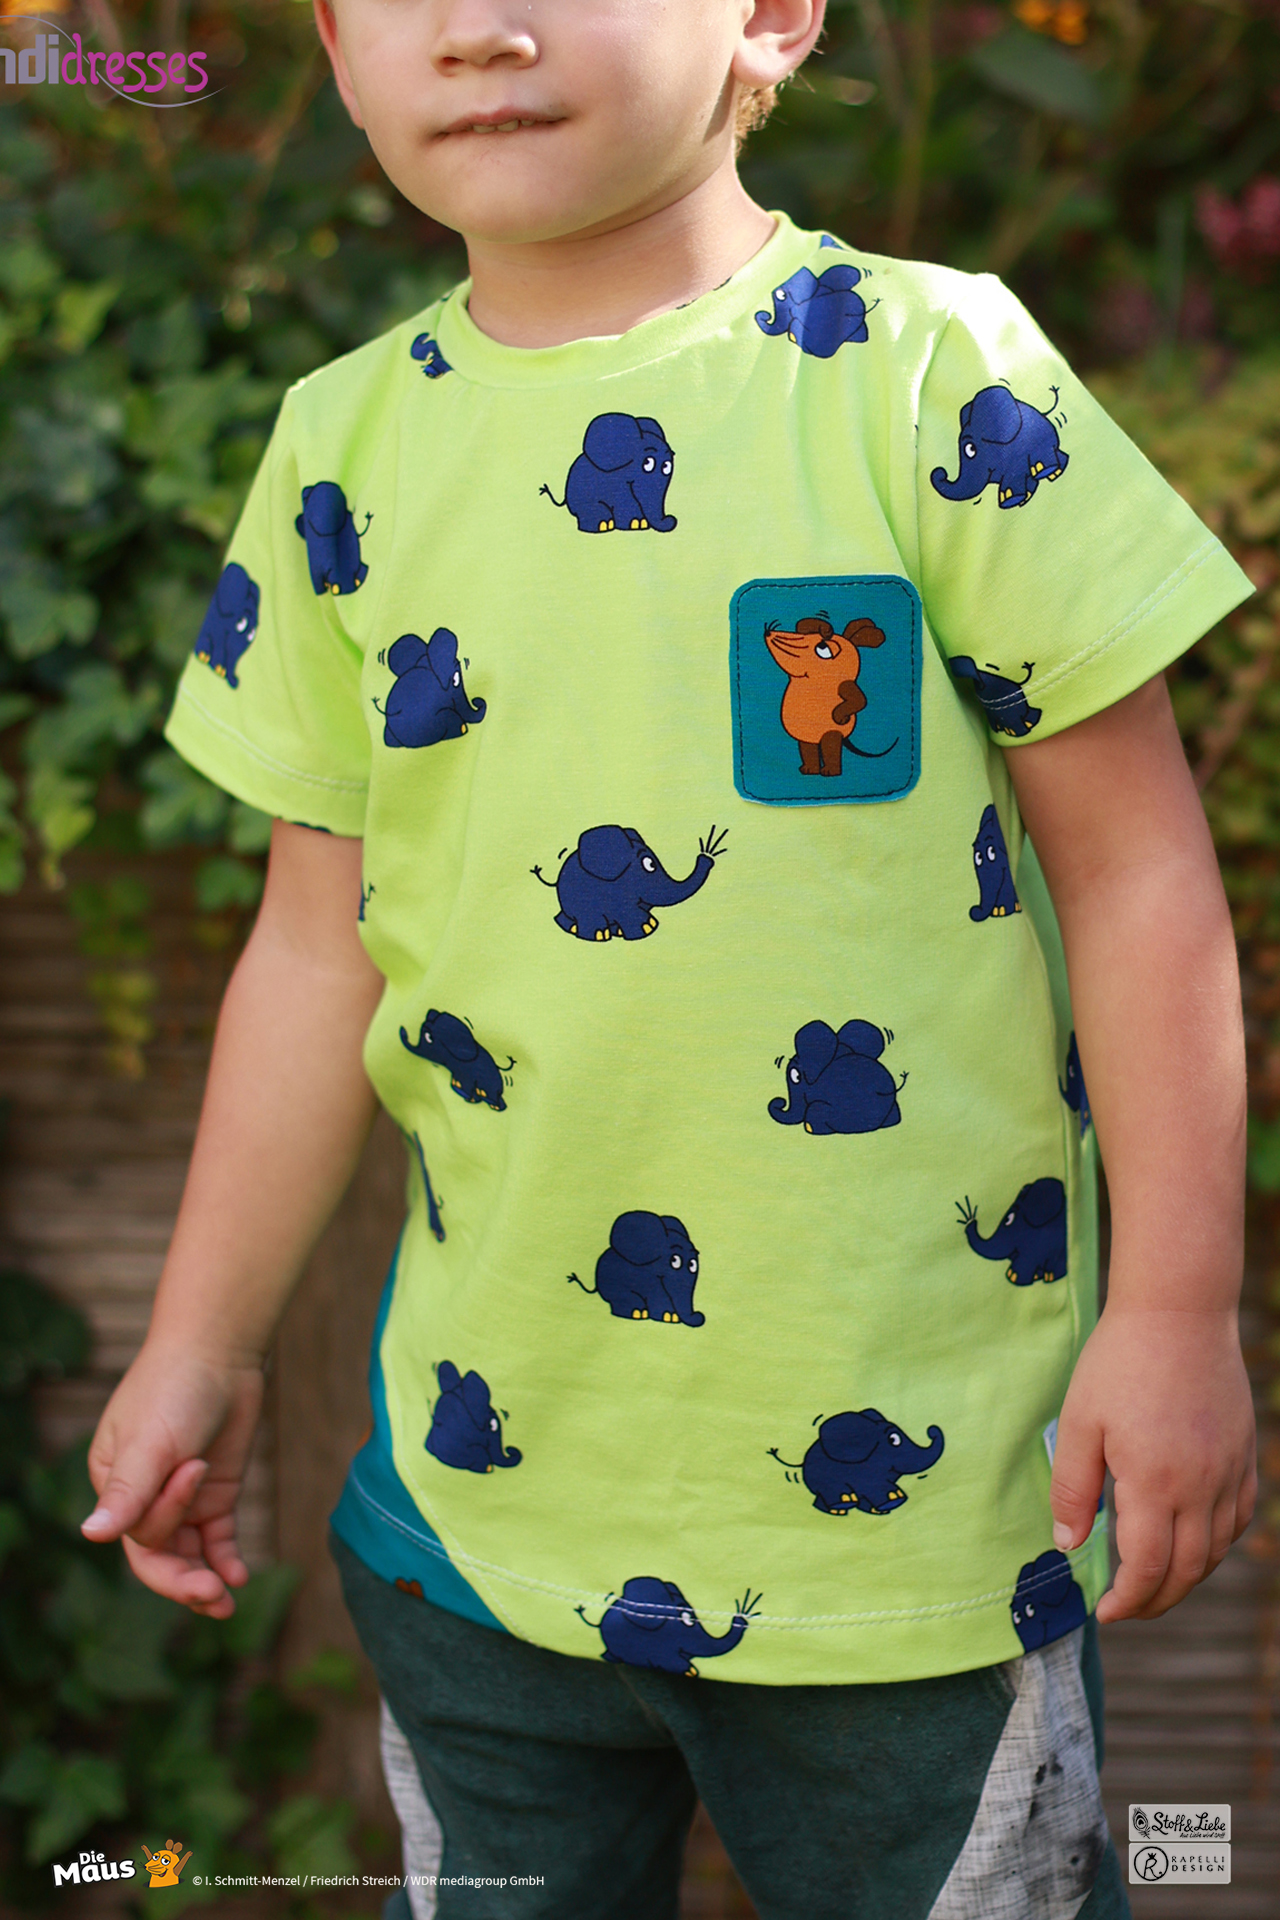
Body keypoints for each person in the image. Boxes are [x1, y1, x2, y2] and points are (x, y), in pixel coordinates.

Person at [81, 2, 1257, 1914]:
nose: (480, 31)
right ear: (334, 46)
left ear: (771, 16)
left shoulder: (933, 377)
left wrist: (1179, 1310)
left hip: (919, 1550)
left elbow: (1138, 882)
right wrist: (198, 1341)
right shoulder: (339, 451)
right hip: (474, 1518)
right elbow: (313, 954)